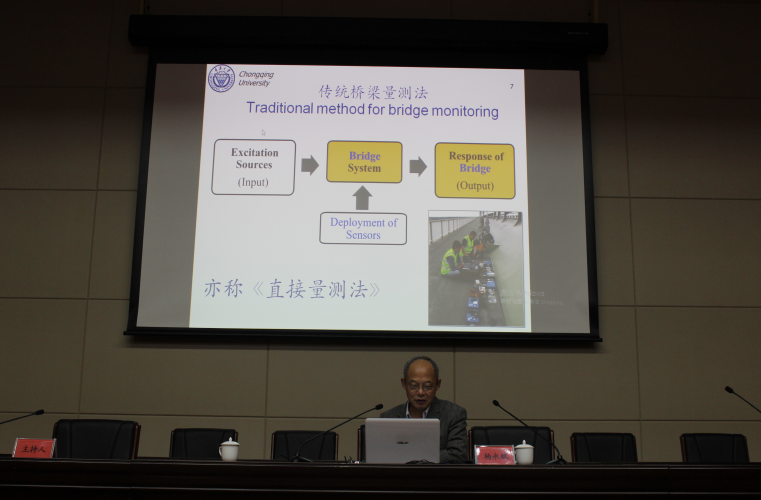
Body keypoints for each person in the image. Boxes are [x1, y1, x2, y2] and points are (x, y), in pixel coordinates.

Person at [380, 356, 468, 463]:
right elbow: (380, 455)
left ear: (438, 385)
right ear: (404, 384)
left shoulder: (453, 414)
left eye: (427, 386)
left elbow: (458, 454)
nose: (421, 392)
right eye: (414, 386)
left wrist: (411, 457)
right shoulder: (388, 418)